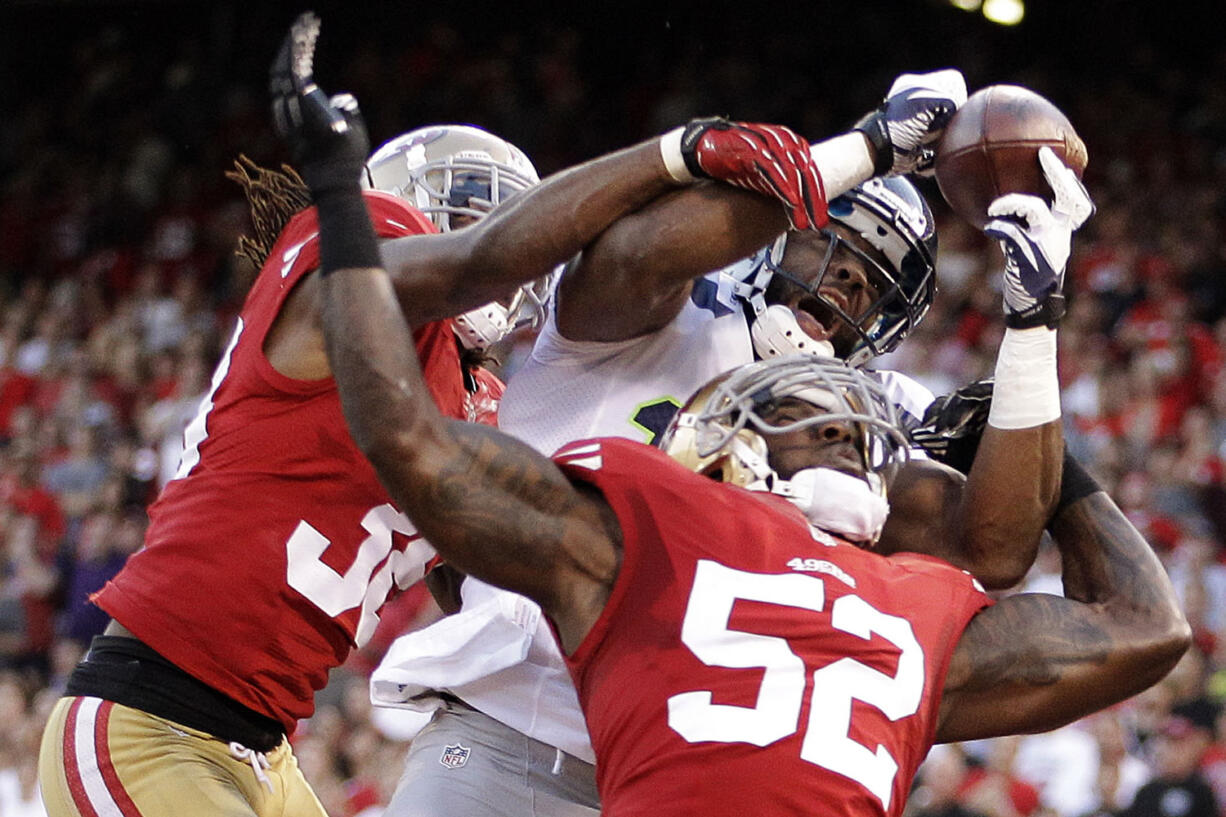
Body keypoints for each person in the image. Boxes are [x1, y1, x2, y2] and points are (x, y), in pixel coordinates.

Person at [289, 48, 1191, 817]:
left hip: (704, 772)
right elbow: (640, 251)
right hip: (520, 740)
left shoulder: (858, 417)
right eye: (832, 250)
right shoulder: (666, 308)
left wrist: (1033, 323)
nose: (843, 286)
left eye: (872, 284)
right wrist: (867, 148)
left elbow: (991, 546)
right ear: (779, 235)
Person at [35, 14, 830, 817]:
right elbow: (486, 258)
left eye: (496, 214)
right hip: (152, 718)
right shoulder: (336, 259)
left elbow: (483, 576)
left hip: (261, 744)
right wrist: (677, 152)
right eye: (465, 209)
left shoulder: (472, 397)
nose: (498, 242)